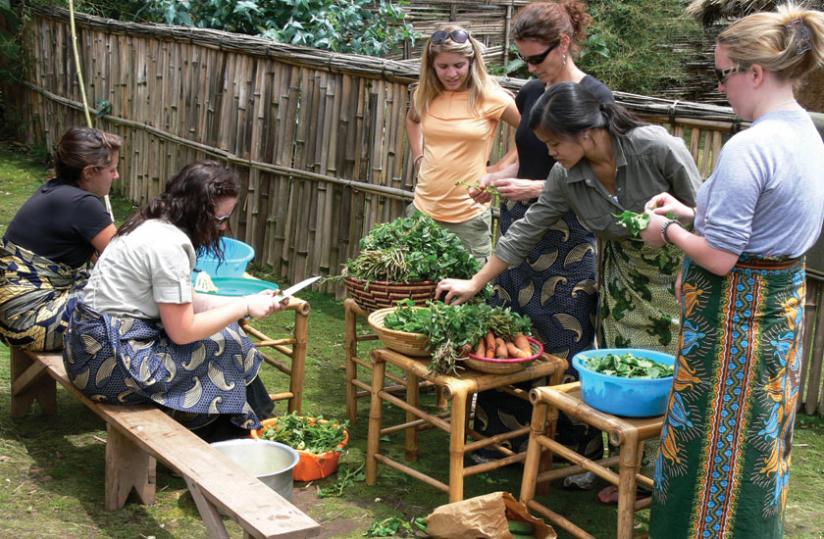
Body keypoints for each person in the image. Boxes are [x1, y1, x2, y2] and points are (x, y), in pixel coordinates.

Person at [639, 6, 824, 538]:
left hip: (734, 332)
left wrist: (665, 231)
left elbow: (722, 257)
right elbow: (760, 228)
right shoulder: (805, 134)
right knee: (762, 447)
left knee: (714, 450)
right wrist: (690, 213)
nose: (722, 88)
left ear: (756, 73)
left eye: (724, 74)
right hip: (776, 323)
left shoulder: (752, 145)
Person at [439, 81, 700, 353]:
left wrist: (690, 267)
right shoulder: (565, 175)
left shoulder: (656, 148)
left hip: (679, 274)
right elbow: (526, 230)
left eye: (555, 143)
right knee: (626, 363)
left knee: (680, 360)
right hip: (624, 282)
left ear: (586, 133)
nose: (551, 153)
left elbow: (704, 216)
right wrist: (475, 282)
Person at [467, 0, 613, 464]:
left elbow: (607, 174)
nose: (530, 68)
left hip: (570, 238)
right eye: (524, 59)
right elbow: (518, 153)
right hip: (519, 230)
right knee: (507, 333)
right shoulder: (531, 93)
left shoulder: (596, 97)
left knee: (564, 340)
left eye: (537, 58)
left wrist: (540, 186)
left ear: (564, 44)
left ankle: (571, 452)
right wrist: (491, 177)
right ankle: (503, 442)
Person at [63, 160, 286, 439]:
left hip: (87, 347)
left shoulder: (152, 223)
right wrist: (242, 307)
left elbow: (186, 299)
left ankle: (250, 429)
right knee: (225, 345)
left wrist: (248, 302)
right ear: (197, 211)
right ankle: (244, 435)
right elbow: (182, 332)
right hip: (105, 365)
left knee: (226, 336)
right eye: (220, 219)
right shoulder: (168, 246)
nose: (224, 228)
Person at [406, 24, 520, 263]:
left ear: (471, 63)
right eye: (443, 66)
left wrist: (500, 169)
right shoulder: (424, 94)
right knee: (413, 294)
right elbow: (412, 119)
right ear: (431, 66)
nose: (451, 74)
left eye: (459, 65)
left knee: (471, 294)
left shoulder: (491, 97)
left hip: (468, 216)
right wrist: (418, 156)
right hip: (422, 211)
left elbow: (533, 134)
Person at [0, 127, 120, 351]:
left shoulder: (55, 191)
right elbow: (131, 264)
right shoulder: (83, 204)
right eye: (112, 170)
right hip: (30, 320)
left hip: (12, 315)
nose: (116, 176)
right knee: (134, 303)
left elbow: (105, 259)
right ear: (89, 172)